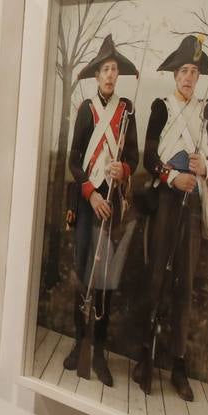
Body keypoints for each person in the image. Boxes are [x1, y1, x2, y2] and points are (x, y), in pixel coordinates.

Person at [132, 35, 208, 401]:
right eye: (184, 70)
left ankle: (179, 364)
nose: (189, 77)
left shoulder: (206, 110)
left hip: (193, 202)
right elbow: (149, 157)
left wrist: (207, 168)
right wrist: (172, 176)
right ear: (174, 74)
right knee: (156, 276)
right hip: (167, 201)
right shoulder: (162, 107)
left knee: (184, 284)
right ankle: (144, 356)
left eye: (195, 71)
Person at [64, 34, 140, 386]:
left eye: (114, 70)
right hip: (89, 203)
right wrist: (91, 193)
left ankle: (98, 351)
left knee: (106, 279)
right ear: (96, 76)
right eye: (105, 70)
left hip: (112, 205)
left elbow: (134, 158)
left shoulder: (127, 111)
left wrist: (122, 170)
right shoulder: (86, 109)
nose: (110, 75)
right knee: (84, 274)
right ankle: (79, 342)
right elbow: (74, 161)